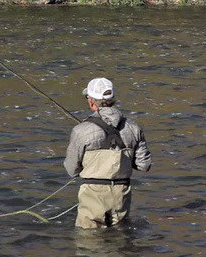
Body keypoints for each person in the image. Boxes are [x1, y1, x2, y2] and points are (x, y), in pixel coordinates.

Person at [64, 77, 152, 228]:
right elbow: (144, 165)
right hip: (121, 194)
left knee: (90, 242)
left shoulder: (81, 131)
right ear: (112, 99)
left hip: (93, 194)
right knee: (120, 242)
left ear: (91, 101)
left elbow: (71, 169)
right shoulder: (134, 128)